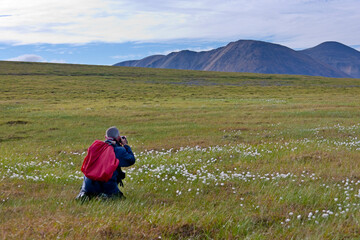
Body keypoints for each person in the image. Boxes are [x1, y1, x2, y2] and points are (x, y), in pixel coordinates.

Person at [76, 126, 135, 200]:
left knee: (86, 191)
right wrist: (126, 145)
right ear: (118, 138)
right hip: (107, 183)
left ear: (105, 137)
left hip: (88, 184)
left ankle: (84, 194)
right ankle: (106, 196)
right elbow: (131, 160)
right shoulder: (117, 150)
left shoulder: (96, 147)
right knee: (119, 198)